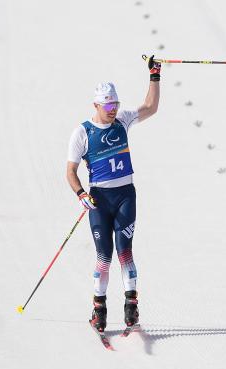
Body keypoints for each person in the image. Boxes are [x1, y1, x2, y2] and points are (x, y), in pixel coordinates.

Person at [66, 56, 162, 332]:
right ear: (96, 105)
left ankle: (131, 306)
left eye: (115, 104)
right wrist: (81, 194)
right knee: (103, 255)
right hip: (99, 200)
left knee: (125, 251)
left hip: (124, 197)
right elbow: (70, 171)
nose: (112, 109)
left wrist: (154, 76)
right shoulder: (82, 133)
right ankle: (100, 310)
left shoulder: (122, 121)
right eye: (108, 105)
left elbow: (151, 107)